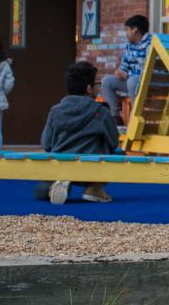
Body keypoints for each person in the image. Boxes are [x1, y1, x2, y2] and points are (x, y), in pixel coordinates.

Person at [39, 61, 119, 205]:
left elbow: (46, 143)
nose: (97, 88)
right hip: (91, 170)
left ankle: (61, 182)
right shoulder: (101, 112)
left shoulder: (55, 111)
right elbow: (114, 142)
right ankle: (94, 188)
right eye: (96, 85)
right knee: (119, 154)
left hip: (61, 165)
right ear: (89, 88)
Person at [99, 14, 150, 125]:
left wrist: (128, 75)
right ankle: (114, 118)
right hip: (132, 81)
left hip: (148, 83)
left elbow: (150, 71)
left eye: (127, 30)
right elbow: (125, 66)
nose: (126, 33)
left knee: (132, 81)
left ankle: (136, 118)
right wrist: (120, 72)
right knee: (107, 81)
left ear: (135, 30)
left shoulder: (150, 44)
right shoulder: (129, 45)